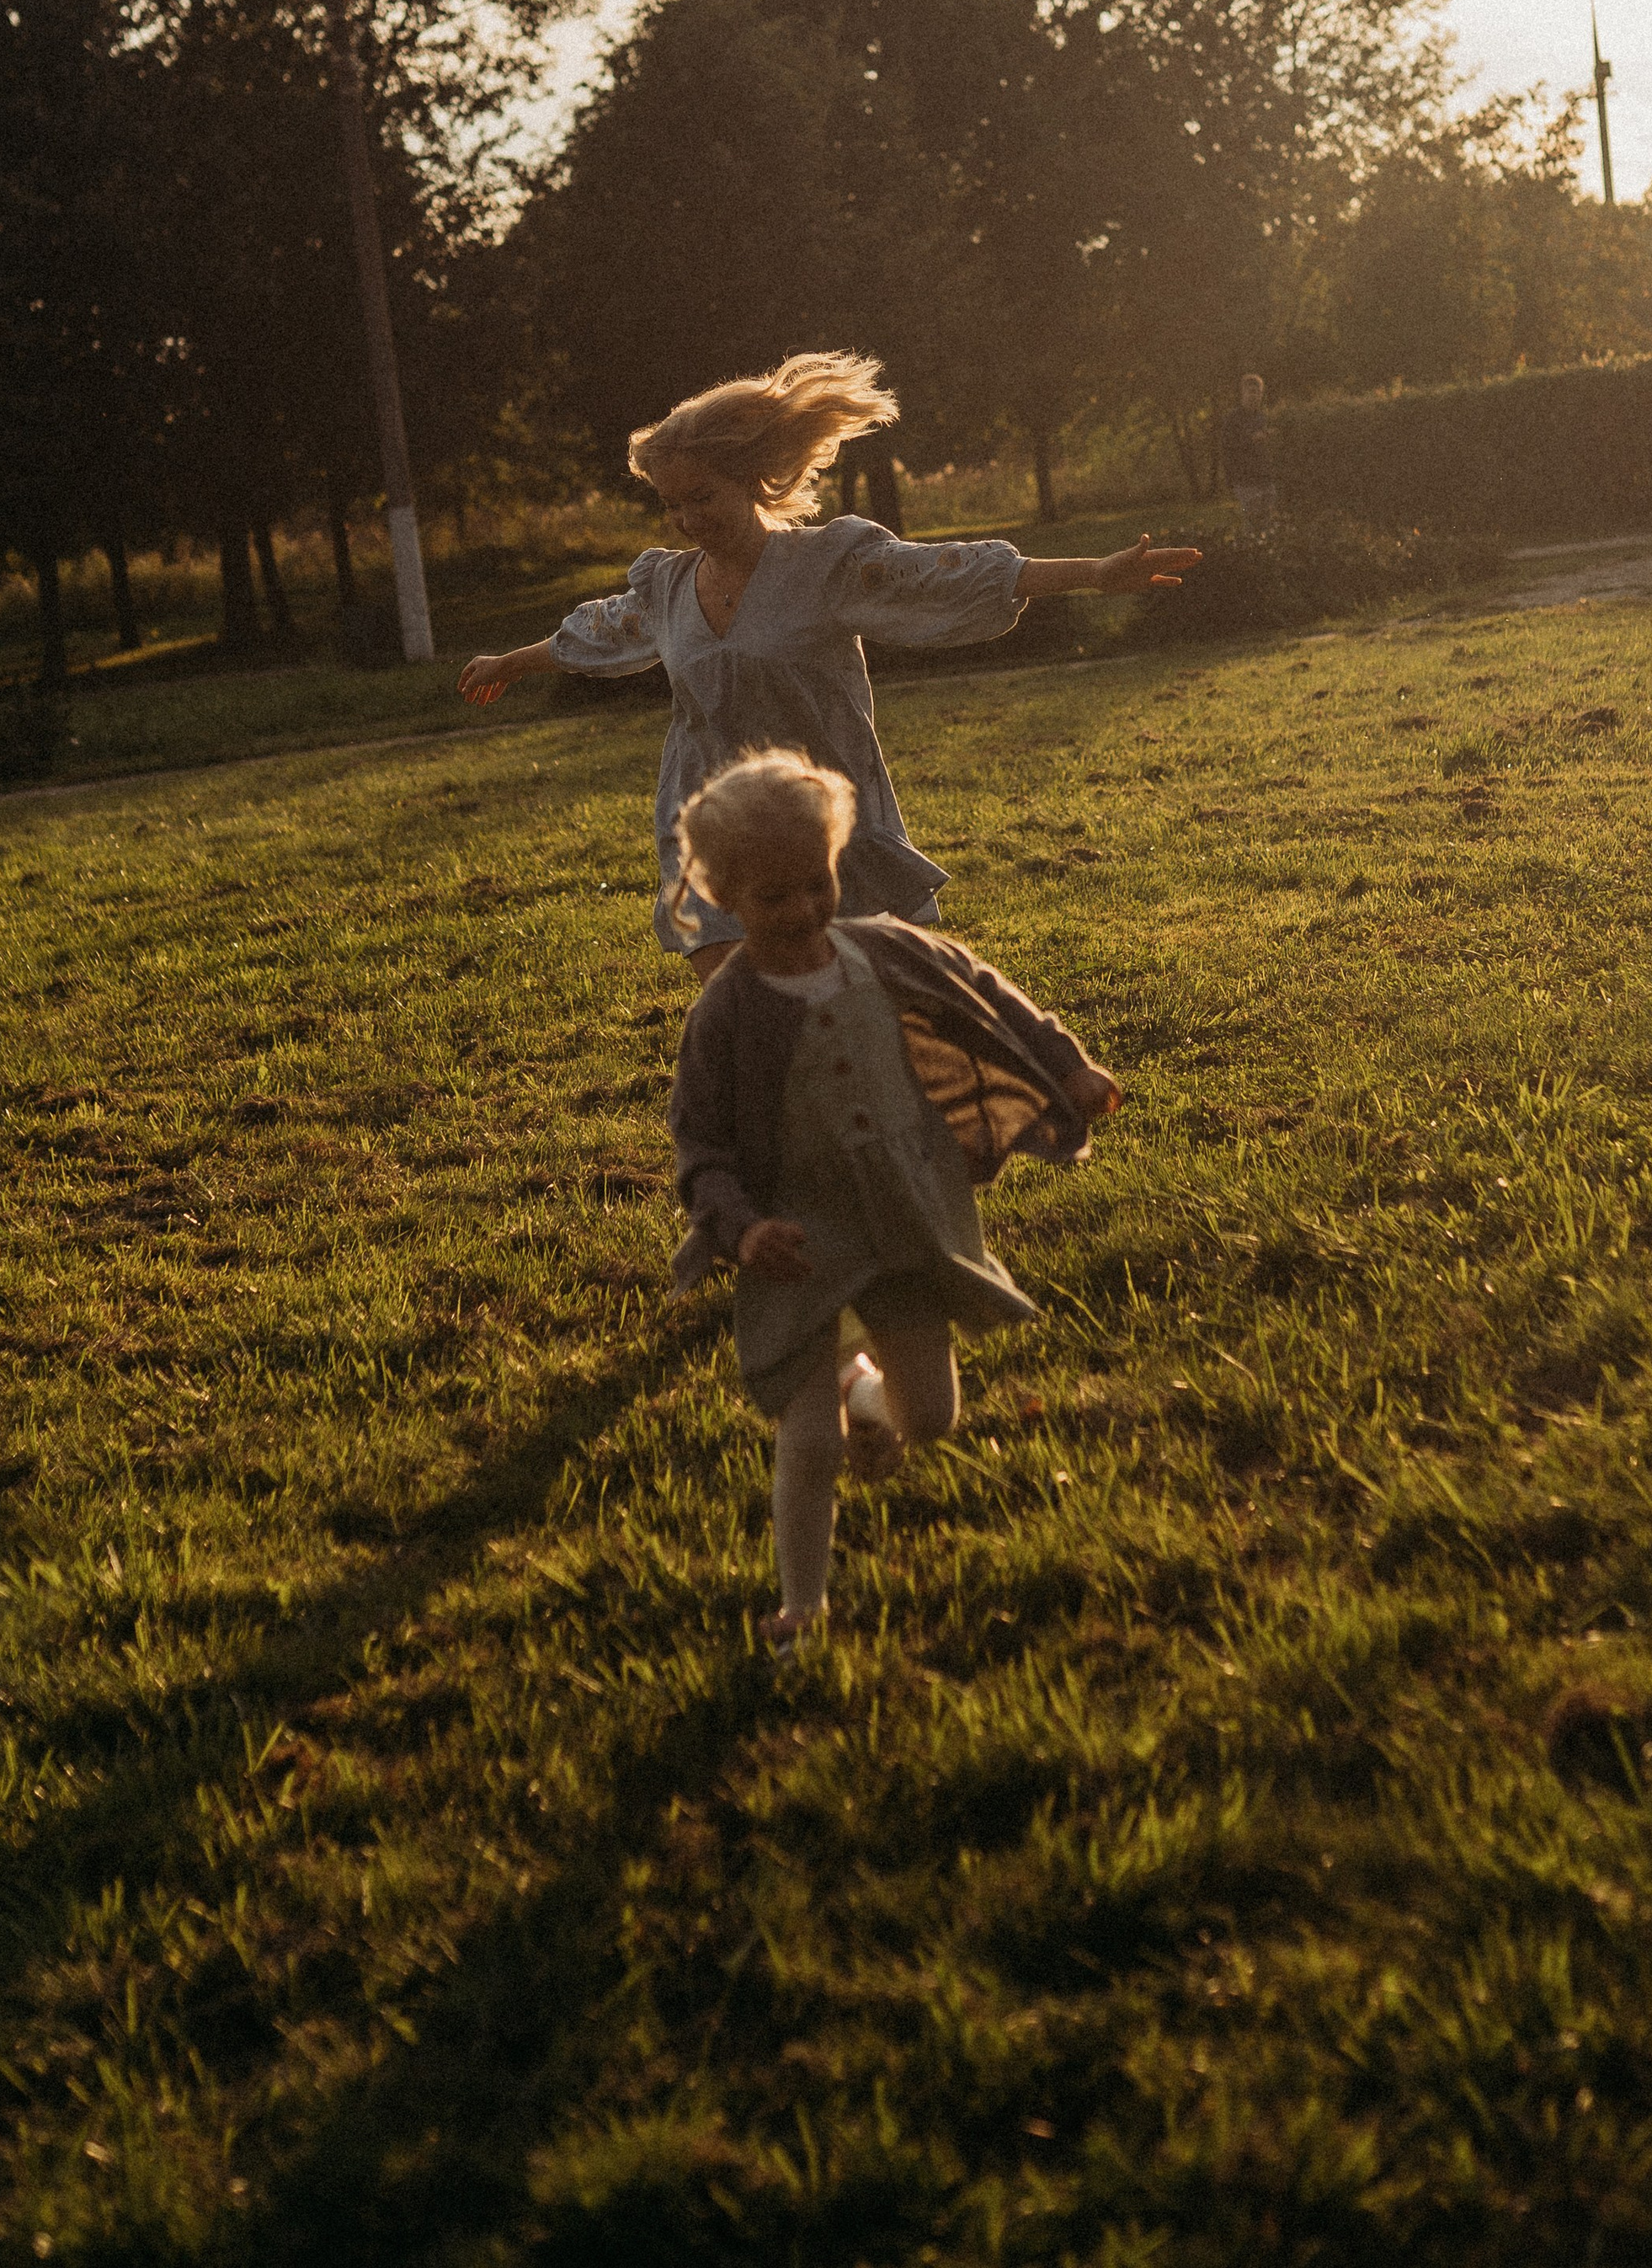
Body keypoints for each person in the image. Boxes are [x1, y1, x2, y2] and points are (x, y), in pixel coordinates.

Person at [456, 350, 1199, 978]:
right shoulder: (668, 585)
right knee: (748, 1014)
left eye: (701, 496)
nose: (686, 519)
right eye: (672, 504)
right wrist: (511, 663)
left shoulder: (827, 566)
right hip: (712, 830)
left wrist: (1096, 573)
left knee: (860, 1004)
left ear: (751, 479)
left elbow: (946, 572)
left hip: (826, 831)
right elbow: (598, 632)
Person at [664, 744, 1118, 1653]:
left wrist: (1065, 1063)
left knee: (931, 1419)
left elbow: (986, 992)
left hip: (908, 1215)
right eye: (771, 898)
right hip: (798, 1237)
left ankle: (860, 1384)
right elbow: (699, 1145)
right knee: (811, 1443)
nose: (800, 911)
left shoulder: (886, 950)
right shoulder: (727, 1009)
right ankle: (801, 1607)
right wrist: (743, 1228)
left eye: (814, 883)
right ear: (725, 897)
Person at [1218, 374, 1278, 536]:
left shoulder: (1262, 418)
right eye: (1251, 392)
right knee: (1252, 518)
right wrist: (1251, 440)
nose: (1255, 396)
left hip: (1264, 476)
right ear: (1243, 393)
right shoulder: (1233, 419)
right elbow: (1228, 447)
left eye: (1258, 392)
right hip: (1244, 478)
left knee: (1268, 519)